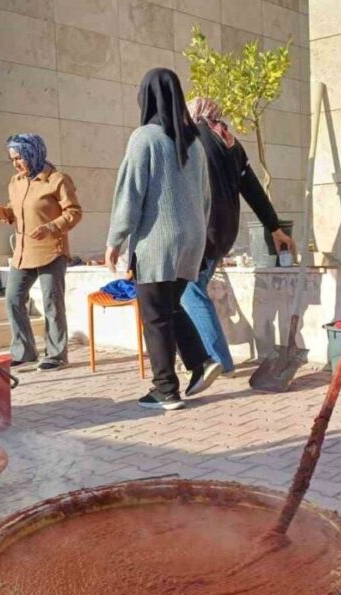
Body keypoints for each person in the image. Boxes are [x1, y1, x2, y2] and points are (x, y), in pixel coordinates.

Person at [106, 68, 214, 411]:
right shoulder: (194, 141)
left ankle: (165, 389)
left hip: (157, 240)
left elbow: (130, 193)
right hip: (192, 240)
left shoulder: (145, 137)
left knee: (153, 315)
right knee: (168, 307)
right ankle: (200, 360)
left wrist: (115, 240)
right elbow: (206, 197)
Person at [181, 97, 296, 380]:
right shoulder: (230, 142)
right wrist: (274, 227)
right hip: (224, 232)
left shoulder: (193, 140)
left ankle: (219, 361)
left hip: (203, 231)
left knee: (189, 291)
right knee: (193, 289)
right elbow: (253, 188)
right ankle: (202, 356)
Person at [0, 133, 82, 372]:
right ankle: (24, 351)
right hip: (23, 253)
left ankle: (56, 355)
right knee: (13, 299)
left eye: (20, 158)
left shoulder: (57, 180)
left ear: (32, 154)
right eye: (13, 159)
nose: (16, 163)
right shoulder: (15, 182)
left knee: (52, 304)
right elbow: (13, 213)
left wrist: (51, 226)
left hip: (51, 251)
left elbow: (74, 212)